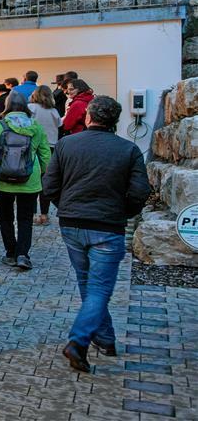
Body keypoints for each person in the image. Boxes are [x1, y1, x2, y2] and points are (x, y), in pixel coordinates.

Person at [43, 96, 150, 373]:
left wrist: (64, 207)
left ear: (88, 116)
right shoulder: (128, 150)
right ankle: (80, 341)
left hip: (73, 224)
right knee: (98, 288)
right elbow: (140, 191)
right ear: (115, 121)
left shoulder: (67, 144)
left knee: (88, 284)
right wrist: (122, 212)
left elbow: (50, 185)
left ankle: (103, 337)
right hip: (106, 226)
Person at [0, 93, 51, 270]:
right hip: (30, 180)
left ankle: (10, 252)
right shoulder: (35, 126)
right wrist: (44, 173)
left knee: (5, 217)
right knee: (25, 218)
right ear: (25, 106)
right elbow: (45, 154)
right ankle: (23, 254)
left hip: (3, 180)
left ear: (6, 106)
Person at [28, 85, 61, 225]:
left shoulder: (31, 108)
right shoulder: (54, 111)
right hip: (51, 147)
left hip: (34, 147)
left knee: (32, 181)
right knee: (45, 182)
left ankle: (33, 214)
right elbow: (60, 124)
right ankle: (45, 214)